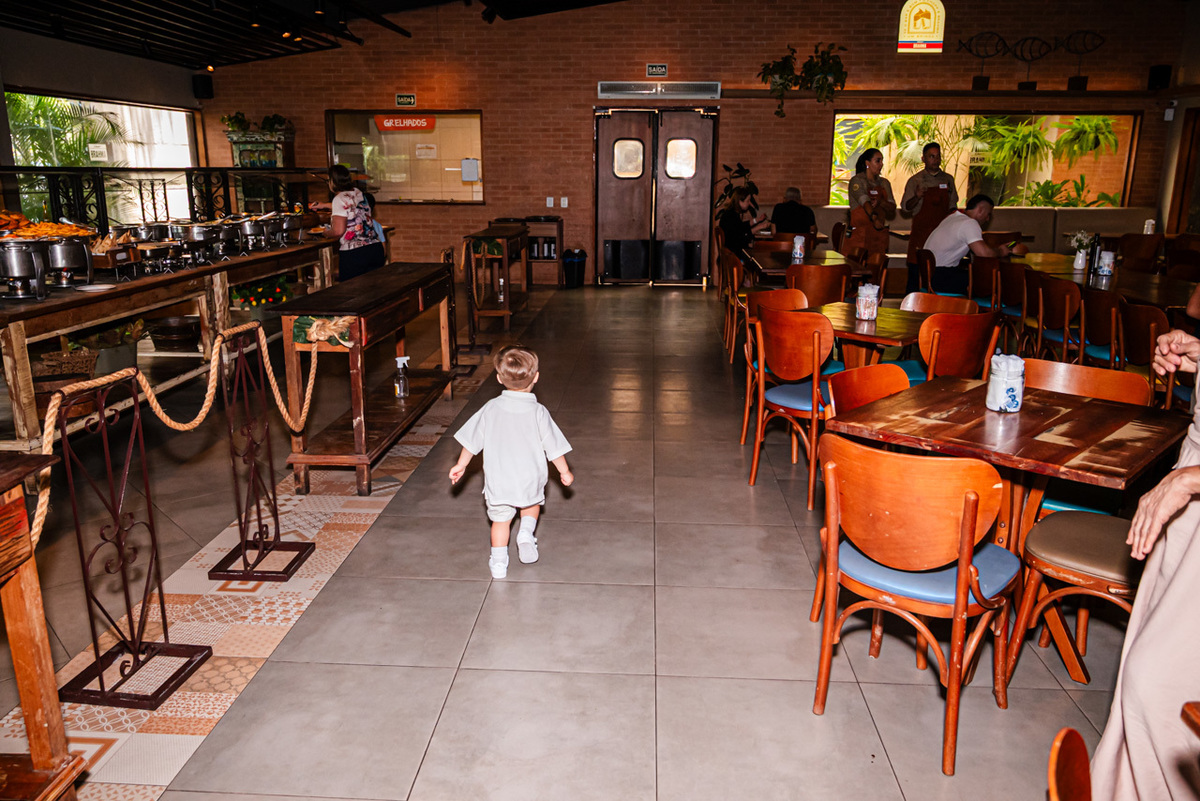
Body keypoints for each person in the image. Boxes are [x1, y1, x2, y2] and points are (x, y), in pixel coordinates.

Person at [1089, 326, 1200, 800]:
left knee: (1157, 687)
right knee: (1146, 663)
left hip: (1191, 485)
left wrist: (1192, 479)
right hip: (1185, 497)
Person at [449, 346, 574, 579]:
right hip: (529, 477)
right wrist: (564, 471)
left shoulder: (490, 408)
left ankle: (498, 563)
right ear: (536, 377)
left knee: (500, 521)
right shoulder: (538, 412)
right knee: (531, 506)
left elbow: (472, 441)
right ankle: (526, 533)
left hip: (499, 479)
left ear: (498, 378)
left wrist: (462, 465)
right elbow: (553, 446)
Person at [921, 193, 1011, 295]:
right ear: (980, 210)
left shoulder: (952, 218)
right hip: (942, 277)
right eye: (988, 214)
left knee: (980, 278)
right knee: (995, 281)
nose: (987, 219)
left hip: (928, 276)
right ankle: (991, 309)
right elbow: (983, 254)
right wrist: (1001, 251)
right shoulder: (969, 223)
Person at [310, 165, 385, 282]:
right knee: (373, 289)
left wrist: (325, 233)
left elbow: (338, 231)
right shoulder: (358, 192)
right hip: (375, 249)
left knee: (352, 293)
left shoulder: (338, 199)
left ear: (332, 181)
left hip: (355, 254)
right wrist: (324, 205)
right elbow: (350, 206)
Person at [900, 142, 959, 291]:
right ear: (923, 159)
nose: (935, 159)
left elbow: (953, 207)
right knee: (915, 277)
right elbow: (905, 207)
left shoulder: (948, 180)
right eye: (931, 156)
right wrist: (918, 196)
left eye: (938, 156)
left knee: (939, 276)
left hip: (943, 237)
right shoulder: (915, 181)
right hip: (921, 236)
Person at [843, 148, 895, 257]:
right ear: (867, 163)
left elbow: (892, 207)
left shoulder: (884, 183)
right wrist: (874, 218)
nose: (881, 164)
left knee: (876, 270)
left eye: (882, 161)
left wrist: (881, 203)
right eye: (878, 161)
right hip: (859, 236)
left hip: (878, 237)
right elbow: (865, 202)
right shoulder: (857, 181)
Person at [718, 186, 770, 262]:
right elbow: (740, 236)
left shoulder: (731, 213)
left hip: (730, 252)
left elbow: (741, 227)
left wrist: (757, 220)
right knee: (759, 257)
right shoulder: (731, 216)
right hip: (733, 255)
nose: (749, 203)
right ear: (740, 201)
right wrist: (759, 227)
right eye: (747, 201)